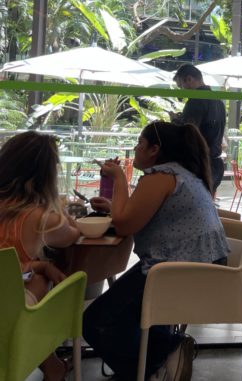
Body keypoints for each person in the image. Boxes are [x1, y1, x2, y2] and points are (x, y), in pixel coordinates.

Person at [83, 122, 229, 381]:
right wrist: (114, 204)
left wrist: (119, 178)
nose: (135, 149)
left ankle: (157, 362)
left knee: (96, 323)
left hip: (178, 272)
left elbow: (124, 224)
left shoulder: (160, 176)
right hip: (206, 268)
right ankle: (161, 358)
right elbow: (135, 213)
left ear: (154, 149)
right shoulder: (182, 173)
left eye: (140, 143)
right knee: (129, 317)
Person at [0, 131, 81, 381]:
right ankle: (52, 365)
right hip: (8, 319)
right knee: (42, 283)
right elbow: (72, 234)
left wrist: (39, 265)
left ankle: (52, 365)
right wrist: (58, 205)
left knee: (34, 276)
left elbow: (8, 264)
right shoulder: (42, 218)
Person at [170, 64, 227, 192]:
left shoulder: (195, 101)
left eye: (181, 86)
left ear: (189, 79)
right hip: (216, 164)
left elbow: (188, 132)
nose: (181, 91)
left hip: (199, 164)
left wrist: (174, 120)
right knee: (206, 201)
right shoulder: (218, 101)